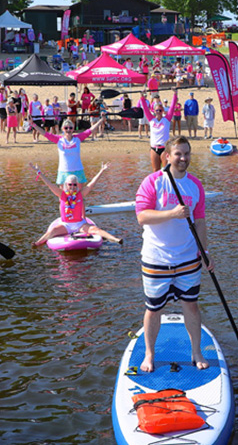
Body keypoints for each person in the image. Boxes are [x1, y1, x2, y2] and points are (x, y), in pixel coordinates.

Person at [134, 136, 211, 372]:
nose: (183, 158)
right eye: (178, 154)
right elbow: (142, 217)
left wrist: (205, 253)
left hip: (189, 258)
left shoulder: (196, 185)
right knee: (154, 308)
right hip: (156, 258)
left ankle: (196, 352)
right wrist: (172, 214)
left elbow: (200, 222)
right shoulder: (152, 181)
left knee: (192, 306)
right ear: (167, 155)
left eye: (187, 153)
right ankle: (149, 354)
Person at [30, 162, 122, 246]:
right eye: (70, 184)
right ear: (66, 184)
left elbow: (92, 184)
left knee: (96, 230)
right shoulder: (61, 194)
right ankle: (38, 243)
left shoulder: (80, 194)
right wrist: (38, 172)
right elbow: (49, 184)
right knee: (52, 231)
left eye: (75, 185)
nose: (72, 187)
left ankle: (115, 239)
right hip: (65, 225)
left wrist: (101, 171)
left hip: (80, 224)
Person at [41, 115, 104, 183]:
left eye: (70, 128)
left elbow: (90, 130)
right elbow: (45, 134)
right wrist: (33, 124)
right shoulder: (59, 140)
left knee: (80, 193)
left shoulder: (78, 138)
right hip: (63, 172)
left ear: (73, 129)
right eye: (66, 128)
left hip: (78, 171)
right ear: (62, 129)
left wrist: (101, 119)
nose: (68, 130)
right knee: (62, 194)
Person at [141, 91, 178, 172]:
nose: (158, 112)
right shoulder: (151, 119)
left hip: (164, 148)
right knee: (156, 170)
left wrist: (175, 93)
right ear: (154, 111)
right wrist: (142, 96)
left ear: (163, 111)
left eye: (160, 110)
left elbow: (172, 107)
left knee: (166, 170)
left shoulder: (167, 119)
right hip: (154, 148)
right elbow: (145, 108)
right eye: (157, 110)